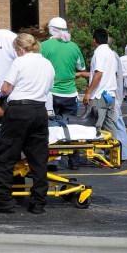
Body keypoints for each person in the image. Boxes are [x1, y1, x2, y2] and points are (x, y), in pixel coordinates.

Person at [0, 33, 55, 214]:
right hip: (39, 110)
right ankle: (38, 202)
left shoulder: (20, 62)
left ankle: (4, 200)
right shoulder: (47, 64)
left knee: (5, 156)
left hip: (19, 110)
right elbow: (49, 87)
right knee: (38, 159)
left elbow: (5, 88)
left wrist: (1, 96)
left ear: (20, 49)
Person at [39, 17, 86, 170]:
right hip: (70, 93)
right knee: (70, 127)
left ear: (51, 30)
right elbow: (81, 67)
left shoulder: (44, 46)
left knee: (52, 128)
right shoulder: (74, 46)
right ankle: (74, 161)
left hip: (50, 94)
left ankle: (54, 161)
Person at [82, 28, 118, 136]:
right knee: (109, 126)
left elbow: (99, 74)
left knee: (95, 126)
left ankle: (98, 152)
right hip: (110, 94)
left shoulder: (99, 53)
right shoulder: (112, 53)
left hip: (99, 95)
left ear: (94, 40)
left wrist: (88, 92)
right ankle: (114, 150)